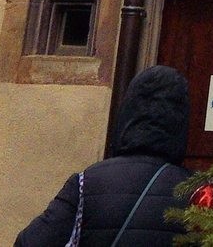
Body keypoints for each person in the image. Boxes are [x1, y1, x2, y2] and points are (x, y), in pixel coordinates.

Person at [14, 65, 192, 247]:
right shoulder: (196, 191)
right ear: (181, 122)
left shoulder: (86, 183)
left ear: (127, 113)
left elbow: (30, 242)